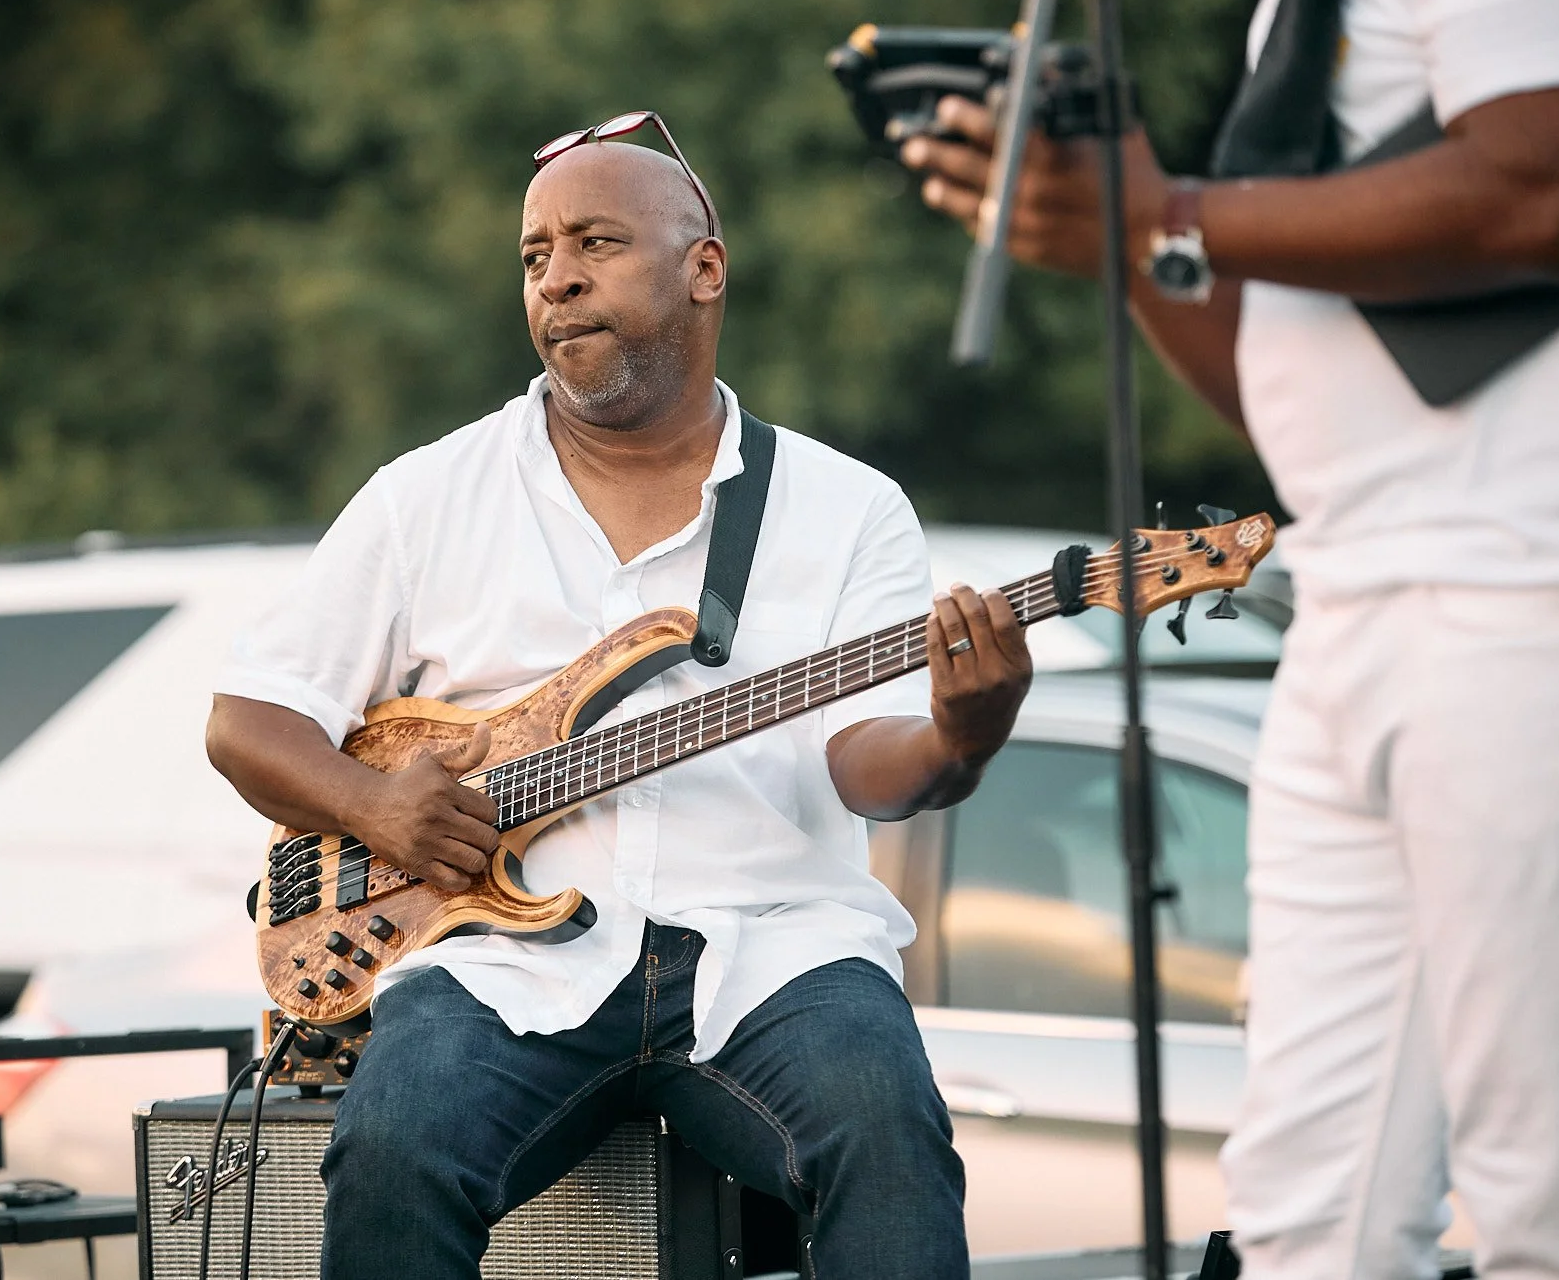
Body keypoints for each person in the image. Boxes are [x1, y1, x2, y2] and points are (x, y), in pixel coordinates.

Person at [207, 119, 1034, 1279]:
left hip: (775, 951)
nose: (558, 278)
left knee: (888, 1134)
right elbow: (247, 720)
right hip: (503, 962)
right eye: (534, 255)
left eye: (595, 242)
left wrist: (962, 731)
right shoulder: (425, 496)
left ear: (704, 268)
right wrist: (376, 806)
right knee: (390, 1145)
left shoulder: (845, 509)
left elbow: (862, 759)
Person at [904, 0, 1559, 1276]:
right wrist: (1124, 224)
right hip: (1354, 606)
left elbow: (1548, 190)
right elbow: (1267, 376)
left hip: (1525, 593)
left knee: (1557, 1202)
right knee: (1307, 1215)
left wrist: (1163, 212)